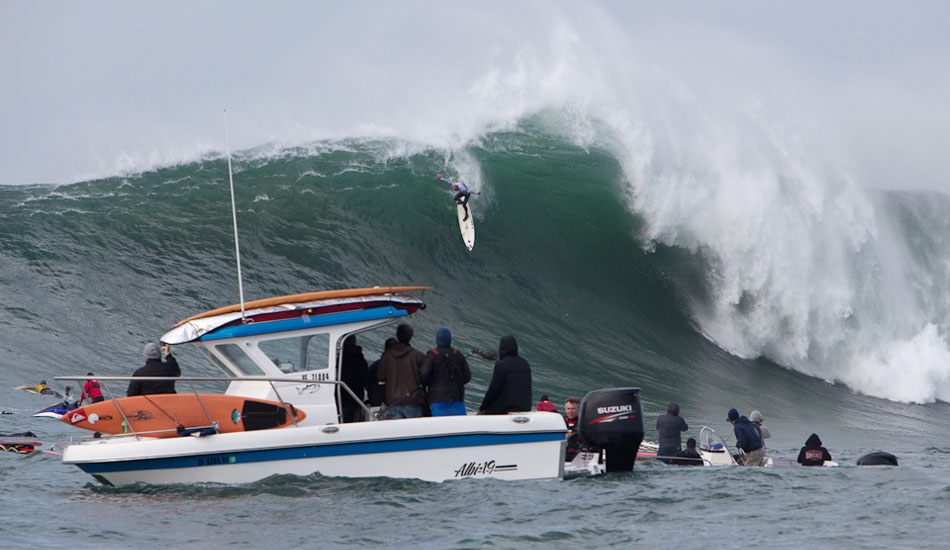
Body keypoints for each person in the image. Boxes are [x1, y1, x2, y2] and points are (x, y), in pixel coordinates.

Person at [376, 324, 426, 419]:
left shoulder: (387, 355)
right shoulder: (418, 355)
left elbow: (381, 376)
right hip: (413, 400)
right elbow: (425, 377)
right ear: (411, 337)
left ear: (397, 335)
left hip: (394, 401)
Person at [420, 327, 472, 416]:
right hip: (457, 399)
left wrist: (431, 383)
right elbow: (467, 377)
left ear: (437, 339)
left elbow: (424, 375)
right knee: (460, 427)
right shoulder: (458, 354)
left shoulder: (432, 355)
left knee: (439, 427)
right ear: (450, 340)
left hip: (438, 400)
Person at [478, 335, 532, 414]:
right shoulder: (525, 363)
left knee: (482, 415)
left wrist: (482, 408)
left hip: (507, 409)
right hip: (525, 408)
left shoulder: (501, 365)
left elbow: (493, 390)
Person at [340, 335, 369, 423]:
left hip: (343, 395)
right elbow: (365, 377)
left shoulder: (341, 359)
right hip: (357, 395)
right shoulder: (360, 359)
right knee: (355, 419)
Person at [366, 338, 398, 407]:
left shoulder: (375, 366)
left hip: (376, 401)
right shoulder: (402, 366)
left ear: (385, 348)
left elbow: (368, 386)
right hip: (398, 401)